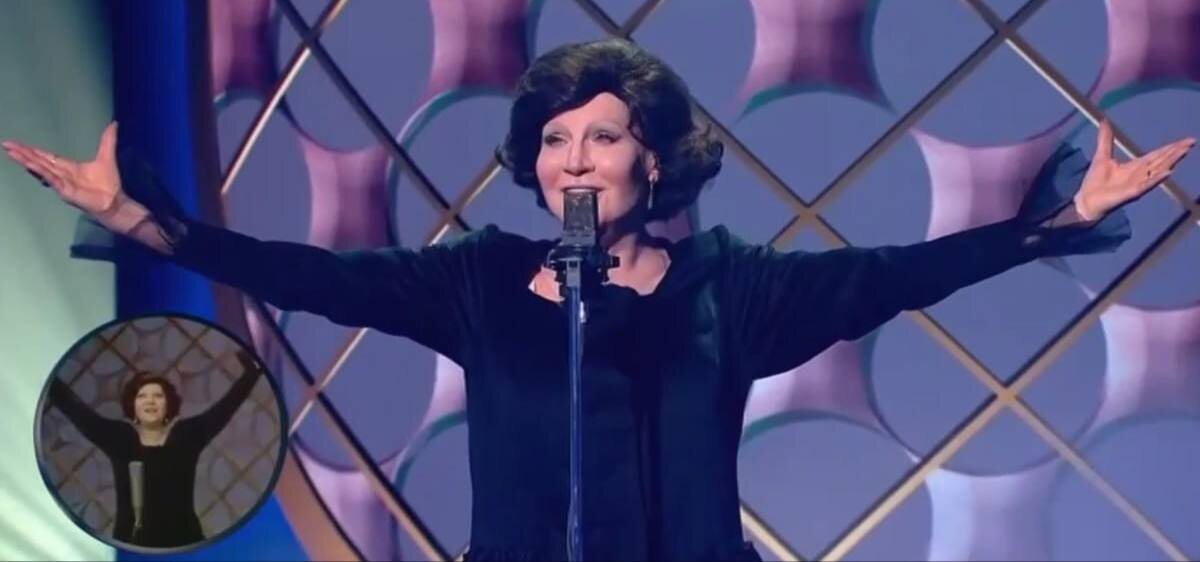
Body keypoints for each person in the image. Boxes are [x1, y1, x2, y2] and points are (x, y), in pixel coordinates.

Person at [5, 38, 1193, 561]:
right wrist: (148, 222)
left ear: (650, 159)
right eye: (556, 138)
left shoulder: (732, 288)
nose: (576, 158)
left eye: (604, 136)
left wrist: (1058, 221)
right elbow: (304, 275)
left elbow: (895, 275)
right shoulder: (476, 280)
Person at [42, 349, 265, 548]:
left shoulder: (187, 436)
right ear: (133, 404)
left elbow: (224, 409)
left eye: (158, 396)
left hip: (185, 541)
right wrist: (45, 375)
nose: (150, 401)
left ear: (168, 404)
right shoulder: (120, 438)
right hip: (133, 543)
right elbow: (78, 412)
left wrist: (250, 375)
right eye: (142, 396)